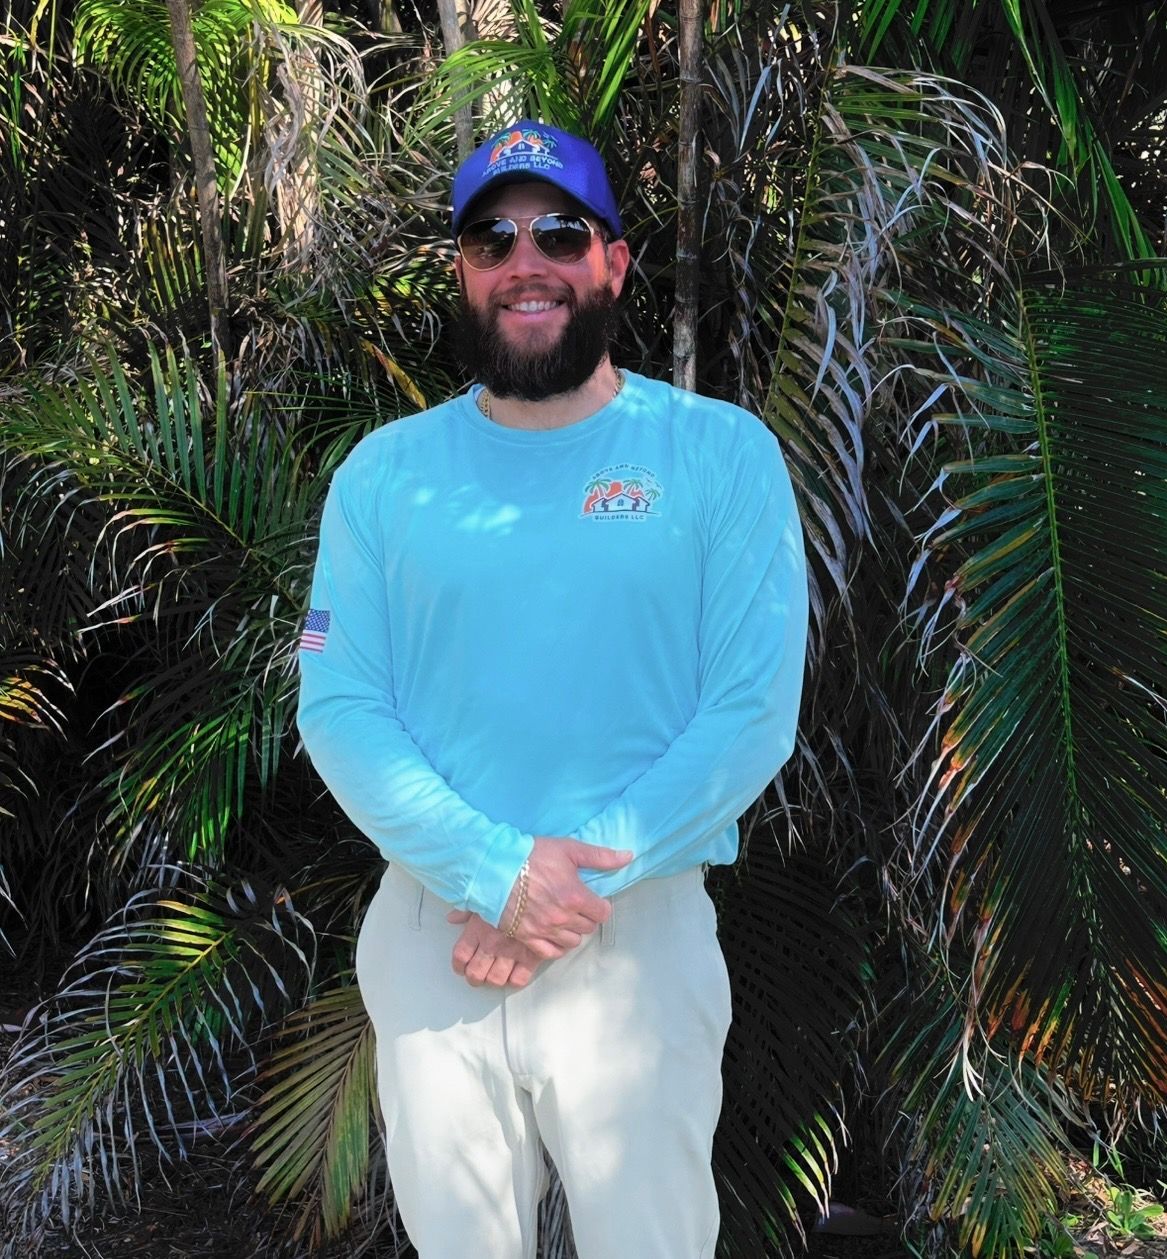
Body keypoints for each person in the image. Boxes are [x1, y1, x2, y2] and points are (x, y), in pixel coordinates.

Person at [296, 119, 808, 1259]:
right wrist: (492, 872)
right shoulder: (383, 476)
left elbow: (749, 710)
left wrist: (556, 884)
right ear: (465, 272)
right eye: (492, 237)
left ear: (613, 261)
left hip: (638, 932)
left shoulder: (721, 456)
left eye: (561, 230)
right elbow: (338, 707)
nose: (527, 258)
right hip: (443, 933)